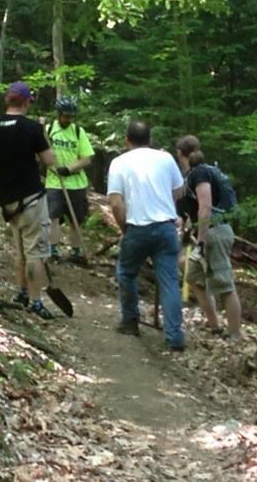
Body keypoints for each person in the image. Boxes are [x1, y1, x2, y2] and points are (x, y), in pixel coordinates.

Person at [0, 81, 57, 319]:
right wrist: (42, 135)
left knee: (20, 250)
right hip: (31, 197)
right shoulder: (32, 128)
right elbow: (50, 160)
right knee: (35, 253)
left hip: (7, 200)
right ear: (25, 102)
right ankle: (35, 301)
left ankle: (21, 291)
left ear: (7, 101)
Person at [107, 121, 186, 352]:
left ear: (126, 140)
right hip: (165, 227)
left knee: (126, 272)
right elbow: (179, 190)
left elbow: (114, 202)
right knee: (170, 281)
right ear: (150, 139)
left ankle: (130, 320)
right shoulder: (165, 158)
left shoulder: (119, 163)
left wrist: (124, 228)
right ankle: (174, 337)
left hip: (138, 227)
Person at [175, 135, 243, 342]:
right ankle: (215, 327)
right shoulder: (198, 173)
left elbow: (205, 206)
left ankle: (235, 335)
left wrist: (202, 238)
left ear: (181, 154)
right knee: (191, 273)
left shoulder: (200, 173)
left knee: (225, 285)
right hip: (208, 232)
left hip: (214, 232)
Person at [45, 96, 94, 264]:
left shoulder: (78, 132)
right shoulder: (48, 130)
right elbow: (39, 154)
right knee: (53, 217)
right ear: (58, 114)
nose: (68, 119)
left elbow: (87, 158)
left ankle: (76, 252)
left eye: (71, 116)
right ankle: (53, 250)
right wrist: (52, 167)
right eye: (66, 116)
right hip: (54, 182)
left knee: (76, 220)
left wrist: (68, 169)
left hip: (76, 183)